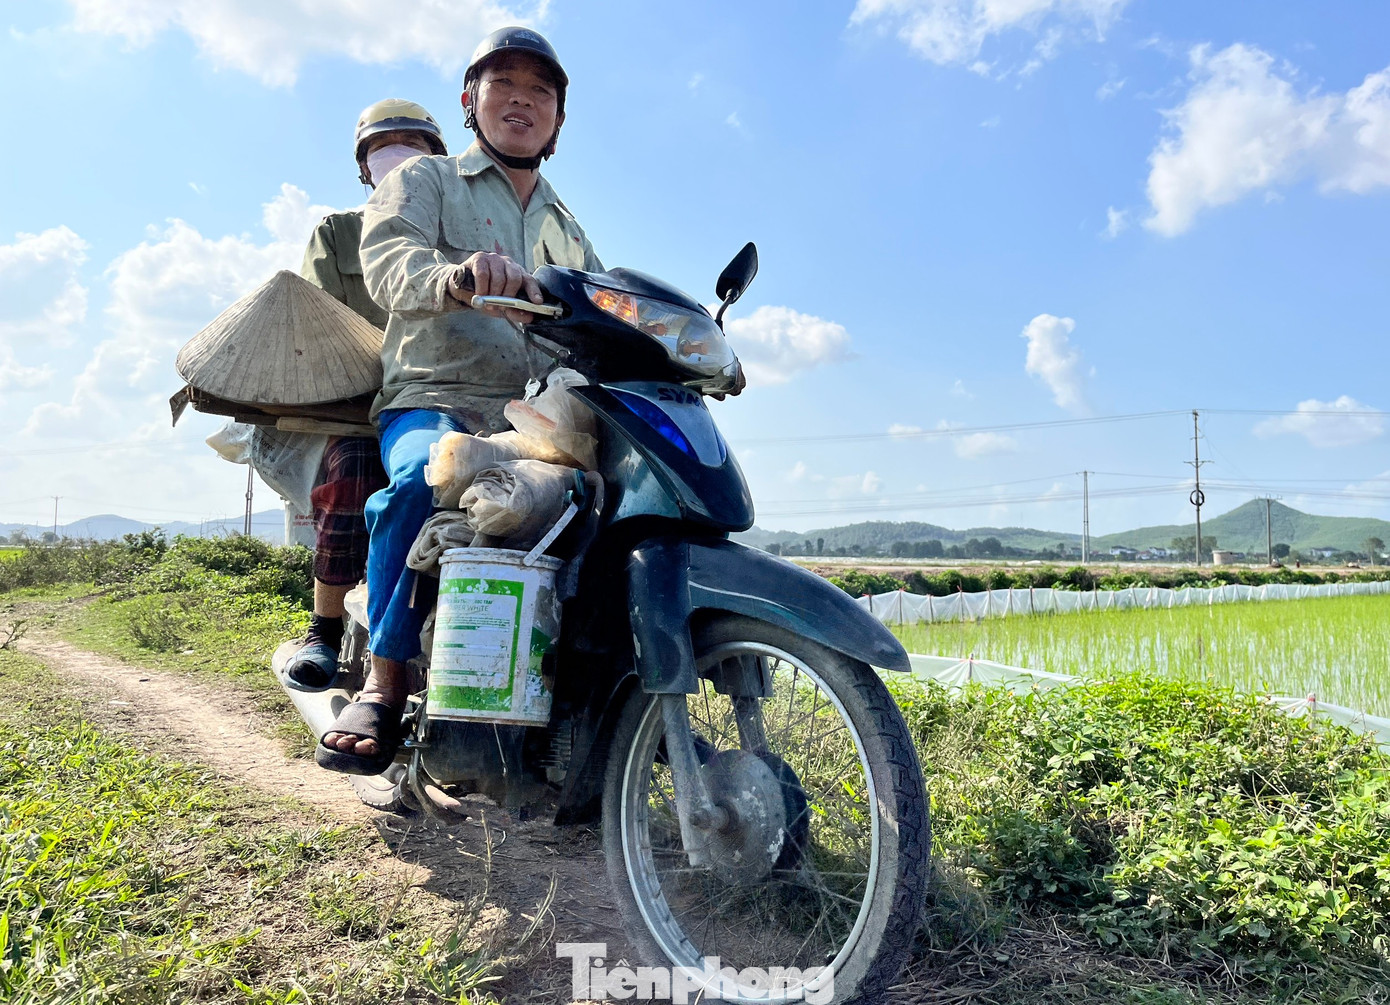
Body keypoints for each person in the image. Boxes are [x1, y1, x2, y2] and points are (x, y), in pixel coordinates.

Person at [316, 26, 602, 775]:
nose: (522, 100)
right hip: (436, 397)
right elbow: (388, 262)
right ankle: (384, 681)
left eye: (541, 90)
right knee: (421, 479)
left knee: (622, 499)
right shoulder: (424, 182)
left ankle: (597, 694)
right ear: (471, 102)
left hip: (539, 418)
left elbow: (608, 309)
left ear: (559, 121)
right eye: (503, 84)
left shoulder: (568, 228)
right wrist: (456, 278)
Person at [281, 99, 449, 689]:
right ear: (364, 166)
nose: (397, 156)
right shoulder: (339, 233)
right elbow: (315, 323)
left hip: (457, 395)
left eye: (412, 143)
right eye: (384, 146)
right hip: (359, 405)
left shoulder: (459, 230)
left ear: (438, 162)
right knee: (354, 476)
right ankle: (327, 632)